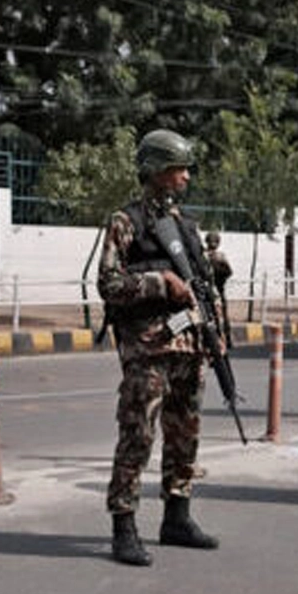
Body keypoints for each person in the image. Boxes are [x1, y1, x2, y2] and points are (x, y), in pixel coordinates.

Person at [97, 129, 220, 566]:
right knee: (138, 436)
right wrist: (157, 282)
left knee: (185, 436)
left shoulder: (185, 225)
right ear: (156, 171)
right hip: (148, 351)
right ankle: (124, 525)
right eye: (177, 169)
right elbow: (108, 283)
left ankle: (177, 517)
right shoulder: (125, 221)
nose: (185, 177)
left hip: (189, 347)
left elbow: (201, 288)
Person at [203, 230, 233, 348]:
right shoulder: (217, 256)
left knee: (217, 316)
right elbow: (229, 272)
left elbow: (228, 272)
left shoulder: (206, 256)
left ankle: (224, 339)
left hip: (213, 289)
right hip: (214, 289)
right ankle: (225, 339)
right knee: (220, 316)